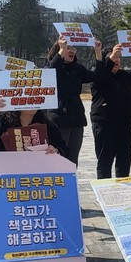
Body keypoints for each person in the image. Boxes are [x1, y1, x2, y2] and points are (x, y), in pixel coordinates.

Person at [91, 41, 131, 179]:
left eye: (118, 57)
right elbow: (102, 72)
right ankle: (104, 189)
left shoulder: (125, 75)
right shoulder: (99, 76)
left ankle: (123, 189)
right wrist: (111, 57)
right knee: (105, 161)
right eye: (113, 57)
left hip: (125, 126)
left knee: (124, 161)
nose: (116, 60)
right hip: (105, 125)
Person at [48, 37, 97, 166]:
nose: (71, 51)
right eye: (67, 48)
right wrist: (61, 50)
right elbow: (51, 71)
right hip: (58, 118)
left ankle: (71, 178)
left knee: (72, 160)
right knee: (58, 157)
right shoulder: (53, 67)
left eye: (73, 48)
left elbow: (98, 75)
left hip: (76, 119)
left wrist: (98, 53)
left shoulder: (78, 69)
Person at [0, 95, 68, 157]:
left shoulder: (47, 125)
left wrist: (56, 151)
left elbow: (64, 149)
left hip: (36, 174)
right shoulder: (2, 120)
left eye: (35, 99)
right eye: (28, 99)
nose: (32, 102)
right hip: (5, 172)